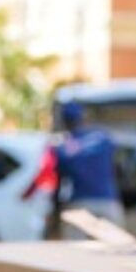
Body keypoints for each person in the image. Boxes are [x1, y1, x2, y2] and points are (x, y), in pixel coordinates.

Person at [54, 101, 123, 235]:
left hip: (79, 204)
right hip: (108, 201)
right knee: (115, 252)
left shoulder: (64, 147)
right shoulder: (103, 138)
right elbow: (118, 166)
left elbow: (60, 181)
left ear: (64, 121)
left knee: (76, 253)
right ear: (83, 118)